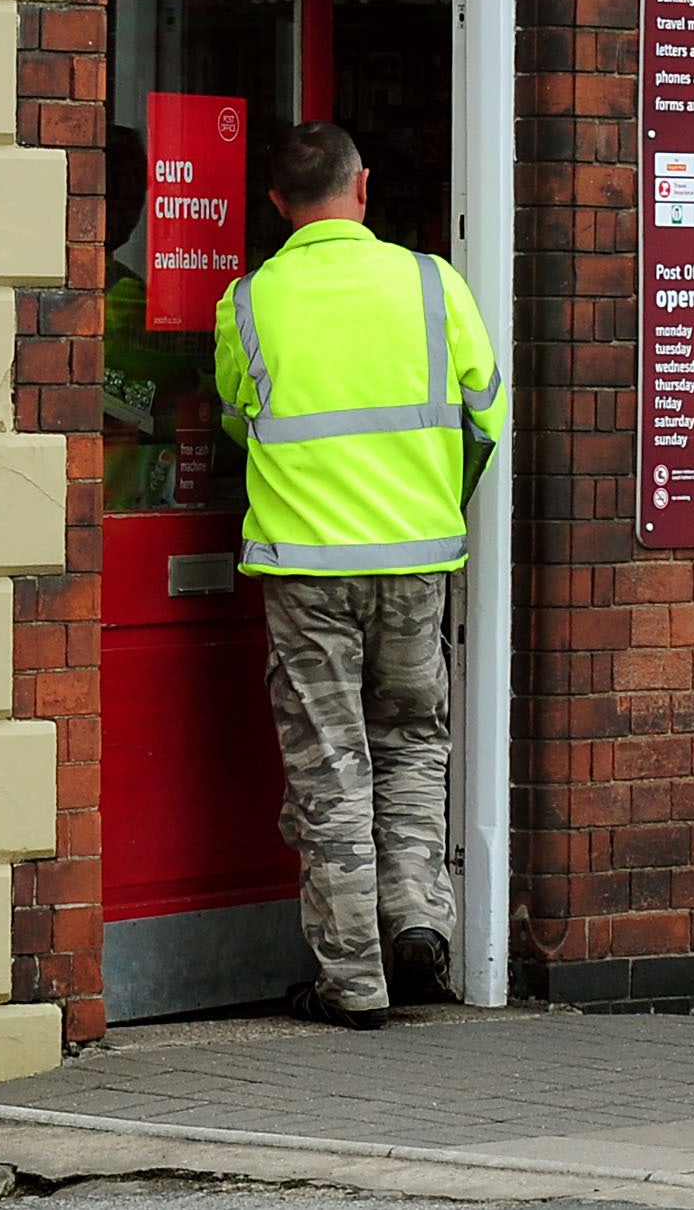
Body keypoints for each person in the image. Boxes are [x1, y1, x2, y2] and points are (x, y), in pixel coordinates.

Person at [214, 121, 507, 1030]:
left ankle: (353, 982)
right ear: (364, 187)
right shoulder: (433, 283)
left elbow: (236, 420)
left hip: (305, 570)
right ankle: (419, 915)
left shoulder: (249, 301)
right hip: (418, 559)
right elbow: (485, 416)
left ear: (276, 206)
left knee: (330, 766)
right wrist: (429, 501)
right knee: (415, 740)